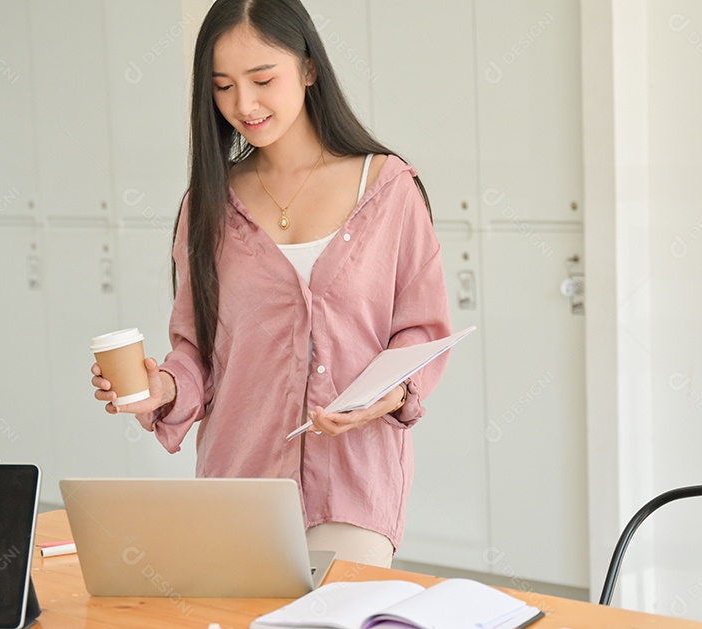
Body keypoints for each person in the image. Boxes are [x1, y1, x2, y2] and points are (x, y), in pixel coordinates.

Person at [91, 0, 451, 568]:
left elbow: (420, 333)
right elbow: (198, 350)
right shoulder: (210, 205)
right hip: (239, 484)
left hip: (352, 487)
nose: (244, 104)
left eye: (262, 79)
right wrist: (161, 388)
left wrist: (389, 393)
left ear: (309, 69)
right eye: (223, 86)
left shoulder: (388, 189)